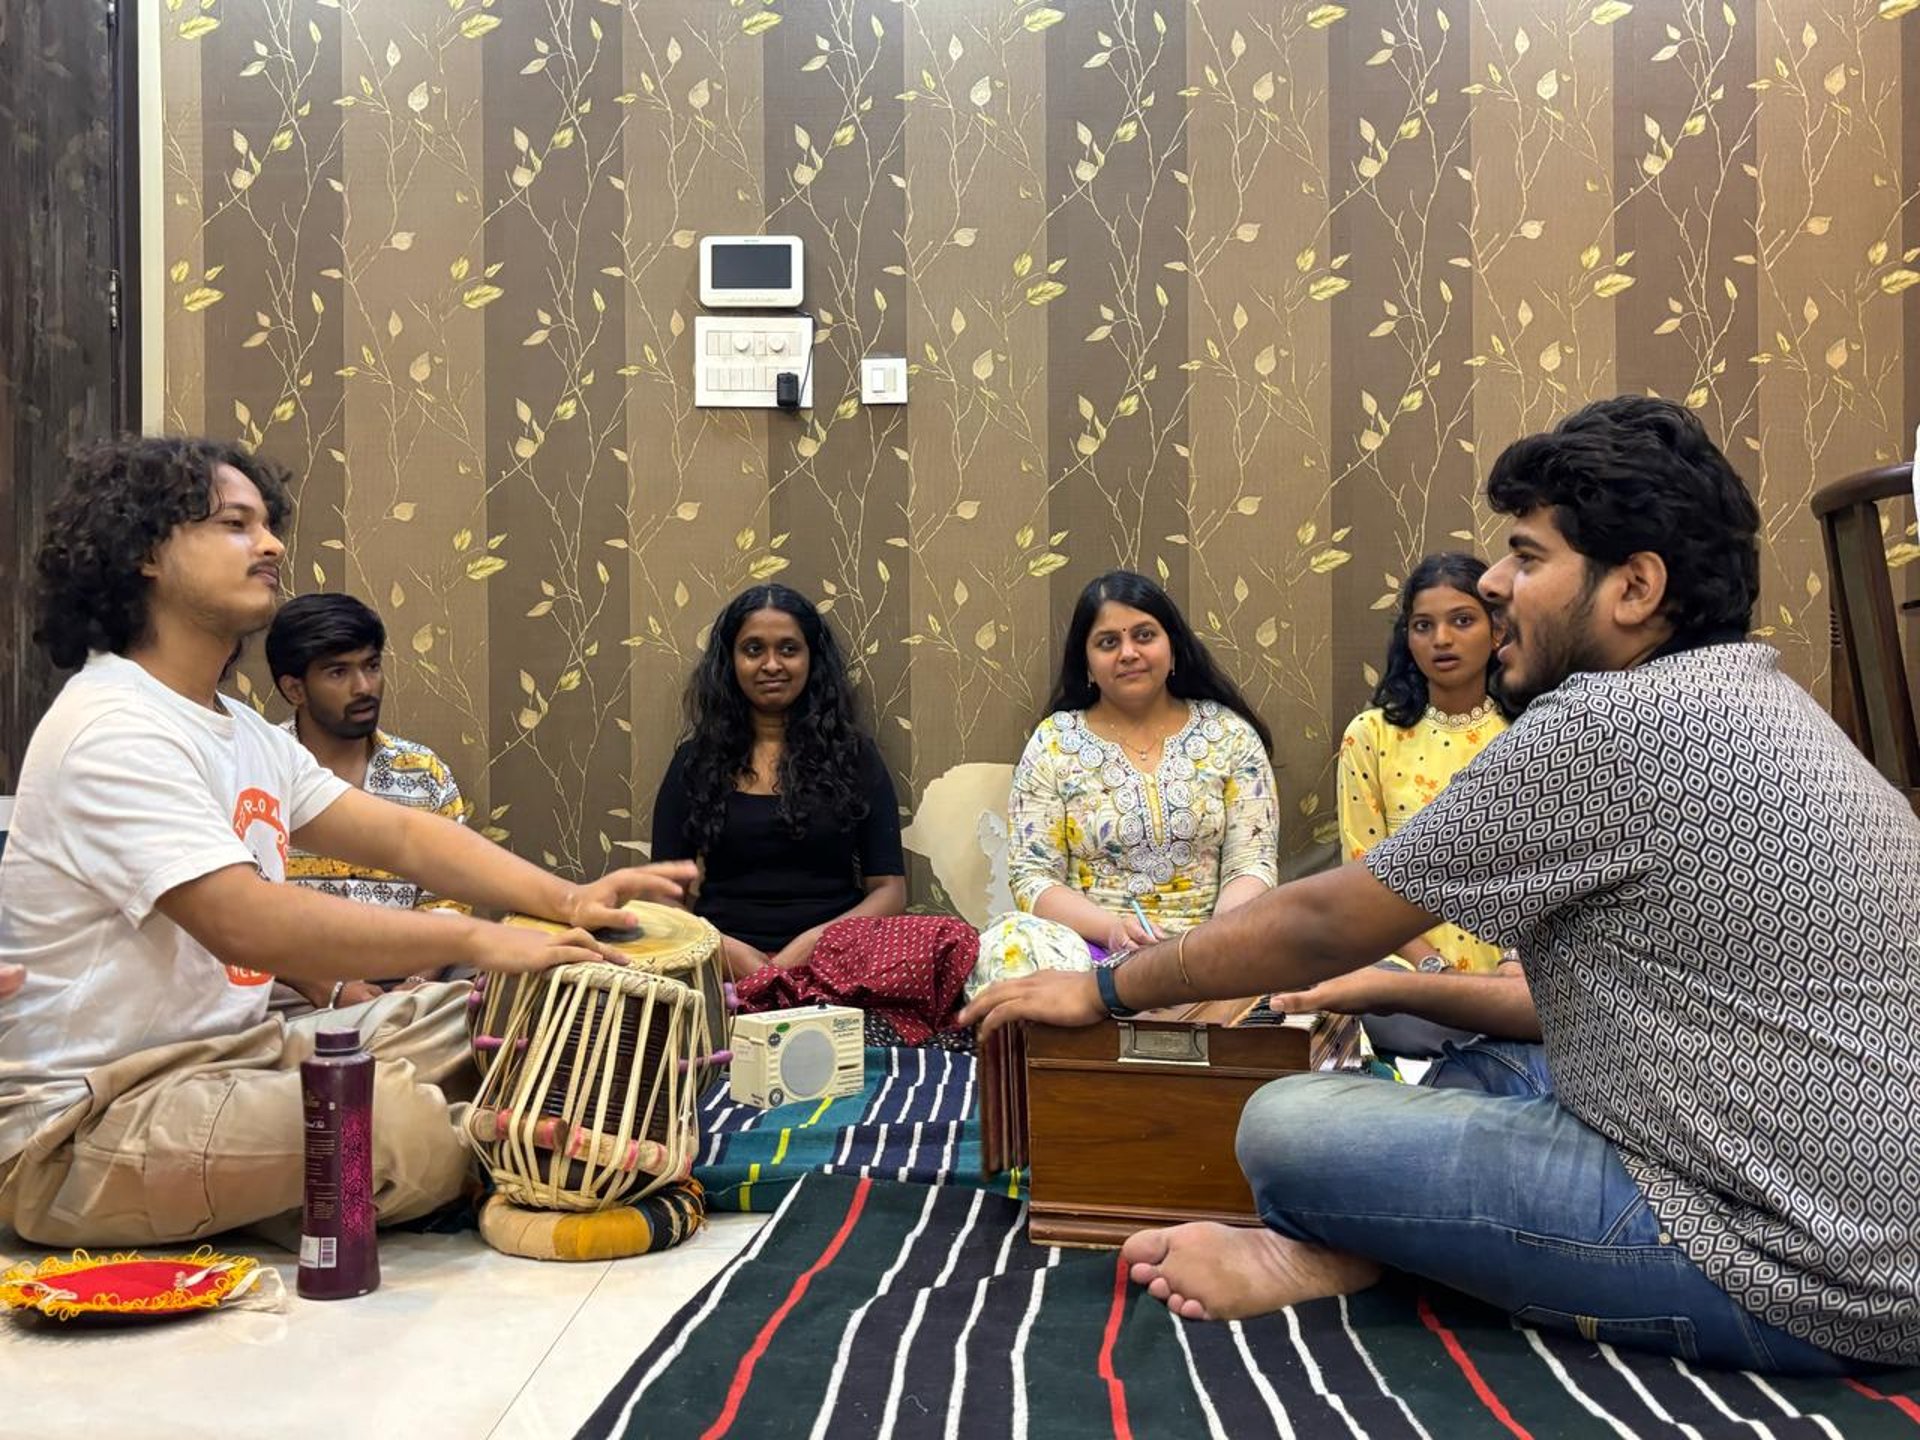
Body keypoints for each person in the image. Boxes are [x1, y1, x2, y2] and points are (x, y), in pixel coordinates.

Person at [962, 397, 1920, 1375]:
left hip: (1799, 1264)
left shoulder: (1611, 727)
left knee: (1290, 1123)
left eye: (1529, 558)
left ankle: (1357, 1254)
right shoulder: (1762, 696)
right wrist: (1386, 987)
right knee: (1479, 1070)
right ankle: (1389, 1239)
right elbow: (1570, 1018)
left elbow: (1325, 920)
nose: (1497, 583)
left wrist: (1103, 989)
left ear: (1634, 587)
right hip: (1854, 1209)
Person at [0, 436, 694, 1248]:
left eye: (267, 524)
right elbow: (243, 920)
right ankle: (441, 1153)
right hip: (83, 1126)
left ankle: (318, 1180)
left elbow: (399, 832)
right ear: (146, 550)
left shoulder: (242, 732)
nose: (271, 544)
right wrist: (480, 935)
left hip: (239, 1056)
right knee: (391, 1124)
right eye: (234, 523)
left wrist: (566, 900)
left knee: (504, 1012)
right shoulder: (112, 725)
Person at [976, 570, 1278, 992]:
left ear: (1173, 649)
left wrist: (1210, 943)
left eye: (1144, 635)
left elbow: (1253, 863)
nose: (1128, 653)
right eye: (1108, 642)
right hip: (1091, 953)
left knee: (1300, 946)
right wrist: (1114, 931)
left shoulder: (1230, 736)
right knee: (1007, 948)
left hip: (1215, 948)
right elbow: (1033, 876)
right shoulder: (1054, 743)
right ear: (1087, 664)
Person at [1329, 552, 1532, 1056]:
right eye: (1424, 625)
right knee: (1363, 981)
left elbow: (1548, 873)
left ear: (1497, 632)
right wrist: (1432, 974)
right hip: (1411, 980)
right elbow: (1364, 883)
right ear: (1408, 638)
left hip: (1521, 972)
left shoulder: (1532, 731)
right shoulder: (1370, 736)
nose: (1441, 639)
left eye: (1461, 621)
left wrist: (1513, 961)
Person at [649, 584, 907, 982]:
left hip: (834, 964)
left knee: (951, 938)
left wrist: (808, 950)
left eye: (788, 649)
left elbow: (889, 890)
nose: (771, 664)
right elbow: (661, 896)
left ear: (811, 659)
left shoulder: (855, 757)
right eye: (753, 649)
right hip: (719, 968)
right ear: (731, 661)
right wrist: (729, 954)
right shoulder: (695, 761)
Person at [266, 592, 470, 1010]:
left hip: (412, 977)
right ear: (294, 689)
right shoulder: (258, 769)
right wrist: (331, 989)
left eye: (371, 666)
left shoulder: (422, 771)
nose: (364, 688)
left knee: (484, 989)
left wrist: (415, 984)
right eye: (338, 672)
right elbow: (238, 912)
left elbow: (448, 900)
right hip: (296, 982)